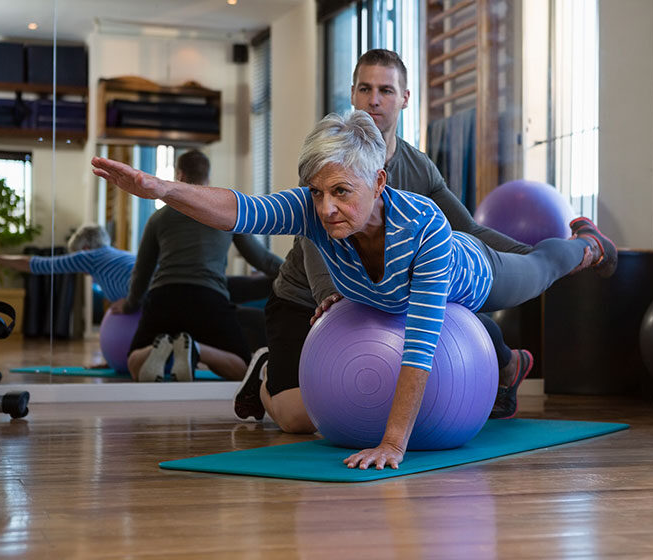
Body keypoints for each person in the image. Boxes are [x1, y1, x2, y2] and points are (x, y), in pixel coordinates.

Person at [91, 109, 617, 469]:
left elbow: (422, 341)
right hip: (387, 296)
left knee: (544, 266)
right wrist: (161, 189)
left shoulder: (426, 227)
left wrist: (392, 443)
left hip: (474, 277)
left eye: (342, 192)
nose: (325, 208)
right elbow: (239, 210)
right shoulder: (315, 211)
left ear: (380, 182)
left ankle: (588, 243)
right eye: (317, 192)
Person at [235, 49, 568, 432]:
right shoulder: (331, 157)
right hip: (307, 299)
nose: (374, 99)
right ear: (353, 94)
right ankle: (264, 371)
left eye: (386, 90)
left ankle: (506, 361)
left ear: (404, 98)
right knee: (297, 419)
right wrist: (330, 292)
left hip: (386, 297)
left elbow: (468, 231)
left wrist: (528, 258)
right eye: (365, 88)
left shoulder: (419, 167)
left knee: (458, 323)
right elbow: (313, 240)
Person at [118, 150, 280, 383]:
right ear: (208, 179)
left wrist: (129, 304)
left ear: (179, 175)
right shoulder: (226, 214)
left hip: (164, 297)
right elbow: (262, 259)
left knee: (134, 363)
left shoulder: (158, 218)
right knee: (242, 367)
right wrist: (298, 275)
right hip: (208, 298)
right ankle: (195, 349)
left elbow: (142, 271)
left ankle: (160, 349)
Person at [0, 223, 135, 306]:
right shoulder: (118, 256)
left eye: (76, 252)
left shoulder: (89, 257)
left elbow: (38, 265)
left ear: (85, 249)